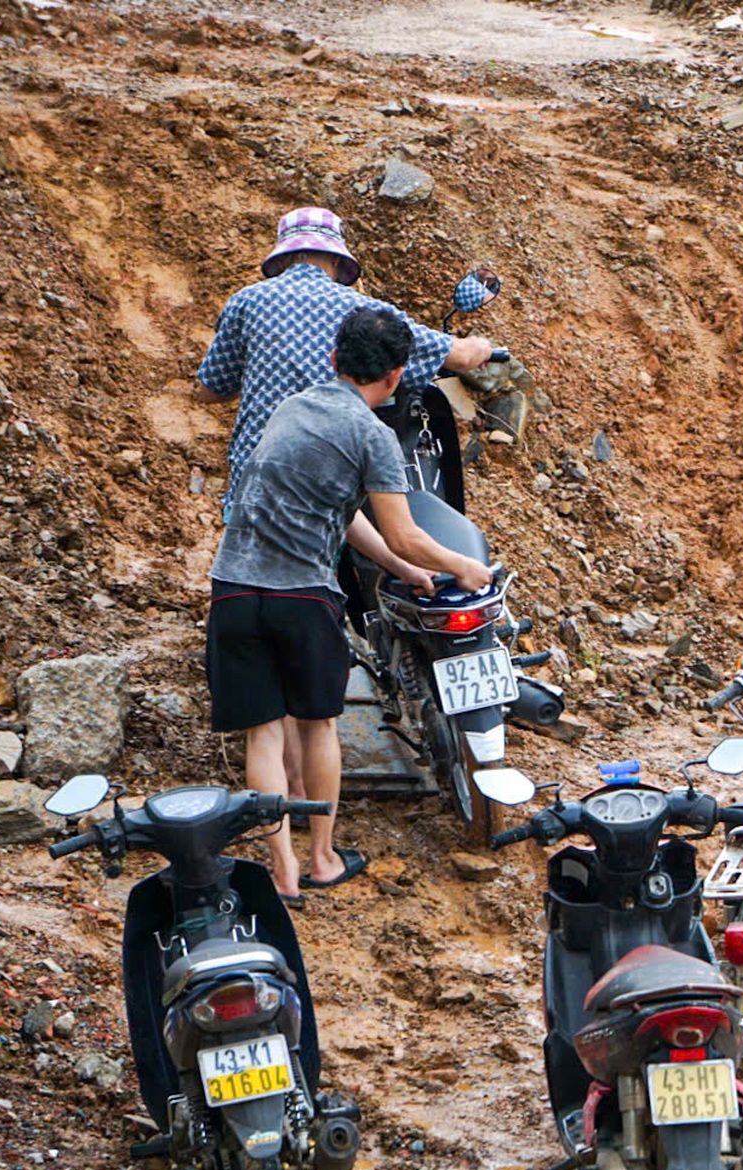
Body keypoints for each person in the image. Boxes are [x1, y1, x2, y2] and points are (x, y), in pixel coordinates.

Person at [191, 207, 493, 806]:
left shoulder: (247, 303)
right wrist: (482, 346)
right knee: (322, 614)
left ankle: (286, 788)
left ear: (283, 255)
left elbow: (210, 385)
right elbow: (454, 357)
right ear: (336, 261)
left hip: (257, 491)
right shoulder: (359, 319)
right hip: (335, 483)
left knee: (265, 653)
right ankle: (321, 743)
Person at [207, 308, 493, 904]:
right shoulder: (373, 436)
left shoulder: (291, 409)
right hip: (302, 598)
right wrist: (463, 566)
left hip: (233, 590)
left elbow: (347, 517)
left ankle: (281, 868)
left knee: (263, 734)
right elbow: (404, 532)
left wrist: (406, 573)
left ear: (334, 361)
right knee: (319, 728)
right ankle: (322, 857)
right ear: (395, 377)